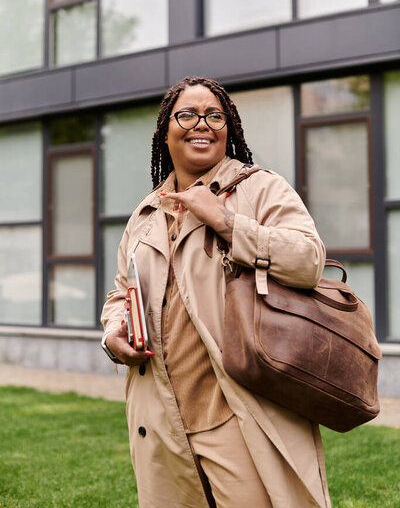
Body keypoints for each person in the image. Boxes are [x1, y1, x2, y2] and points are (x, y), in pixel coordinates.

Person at [101, 76, 331, 508]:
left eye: (214, 115)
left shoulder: (260, 188)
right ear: (165, 132)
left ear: (229, 128)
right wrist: (113, 335)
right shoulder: (145, 214)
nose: (201, 124)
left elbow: (308, 260)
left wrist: (225, 222)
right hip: (162, 420)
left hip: (239, 415)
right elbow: (120, 292)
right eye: (186, 114)